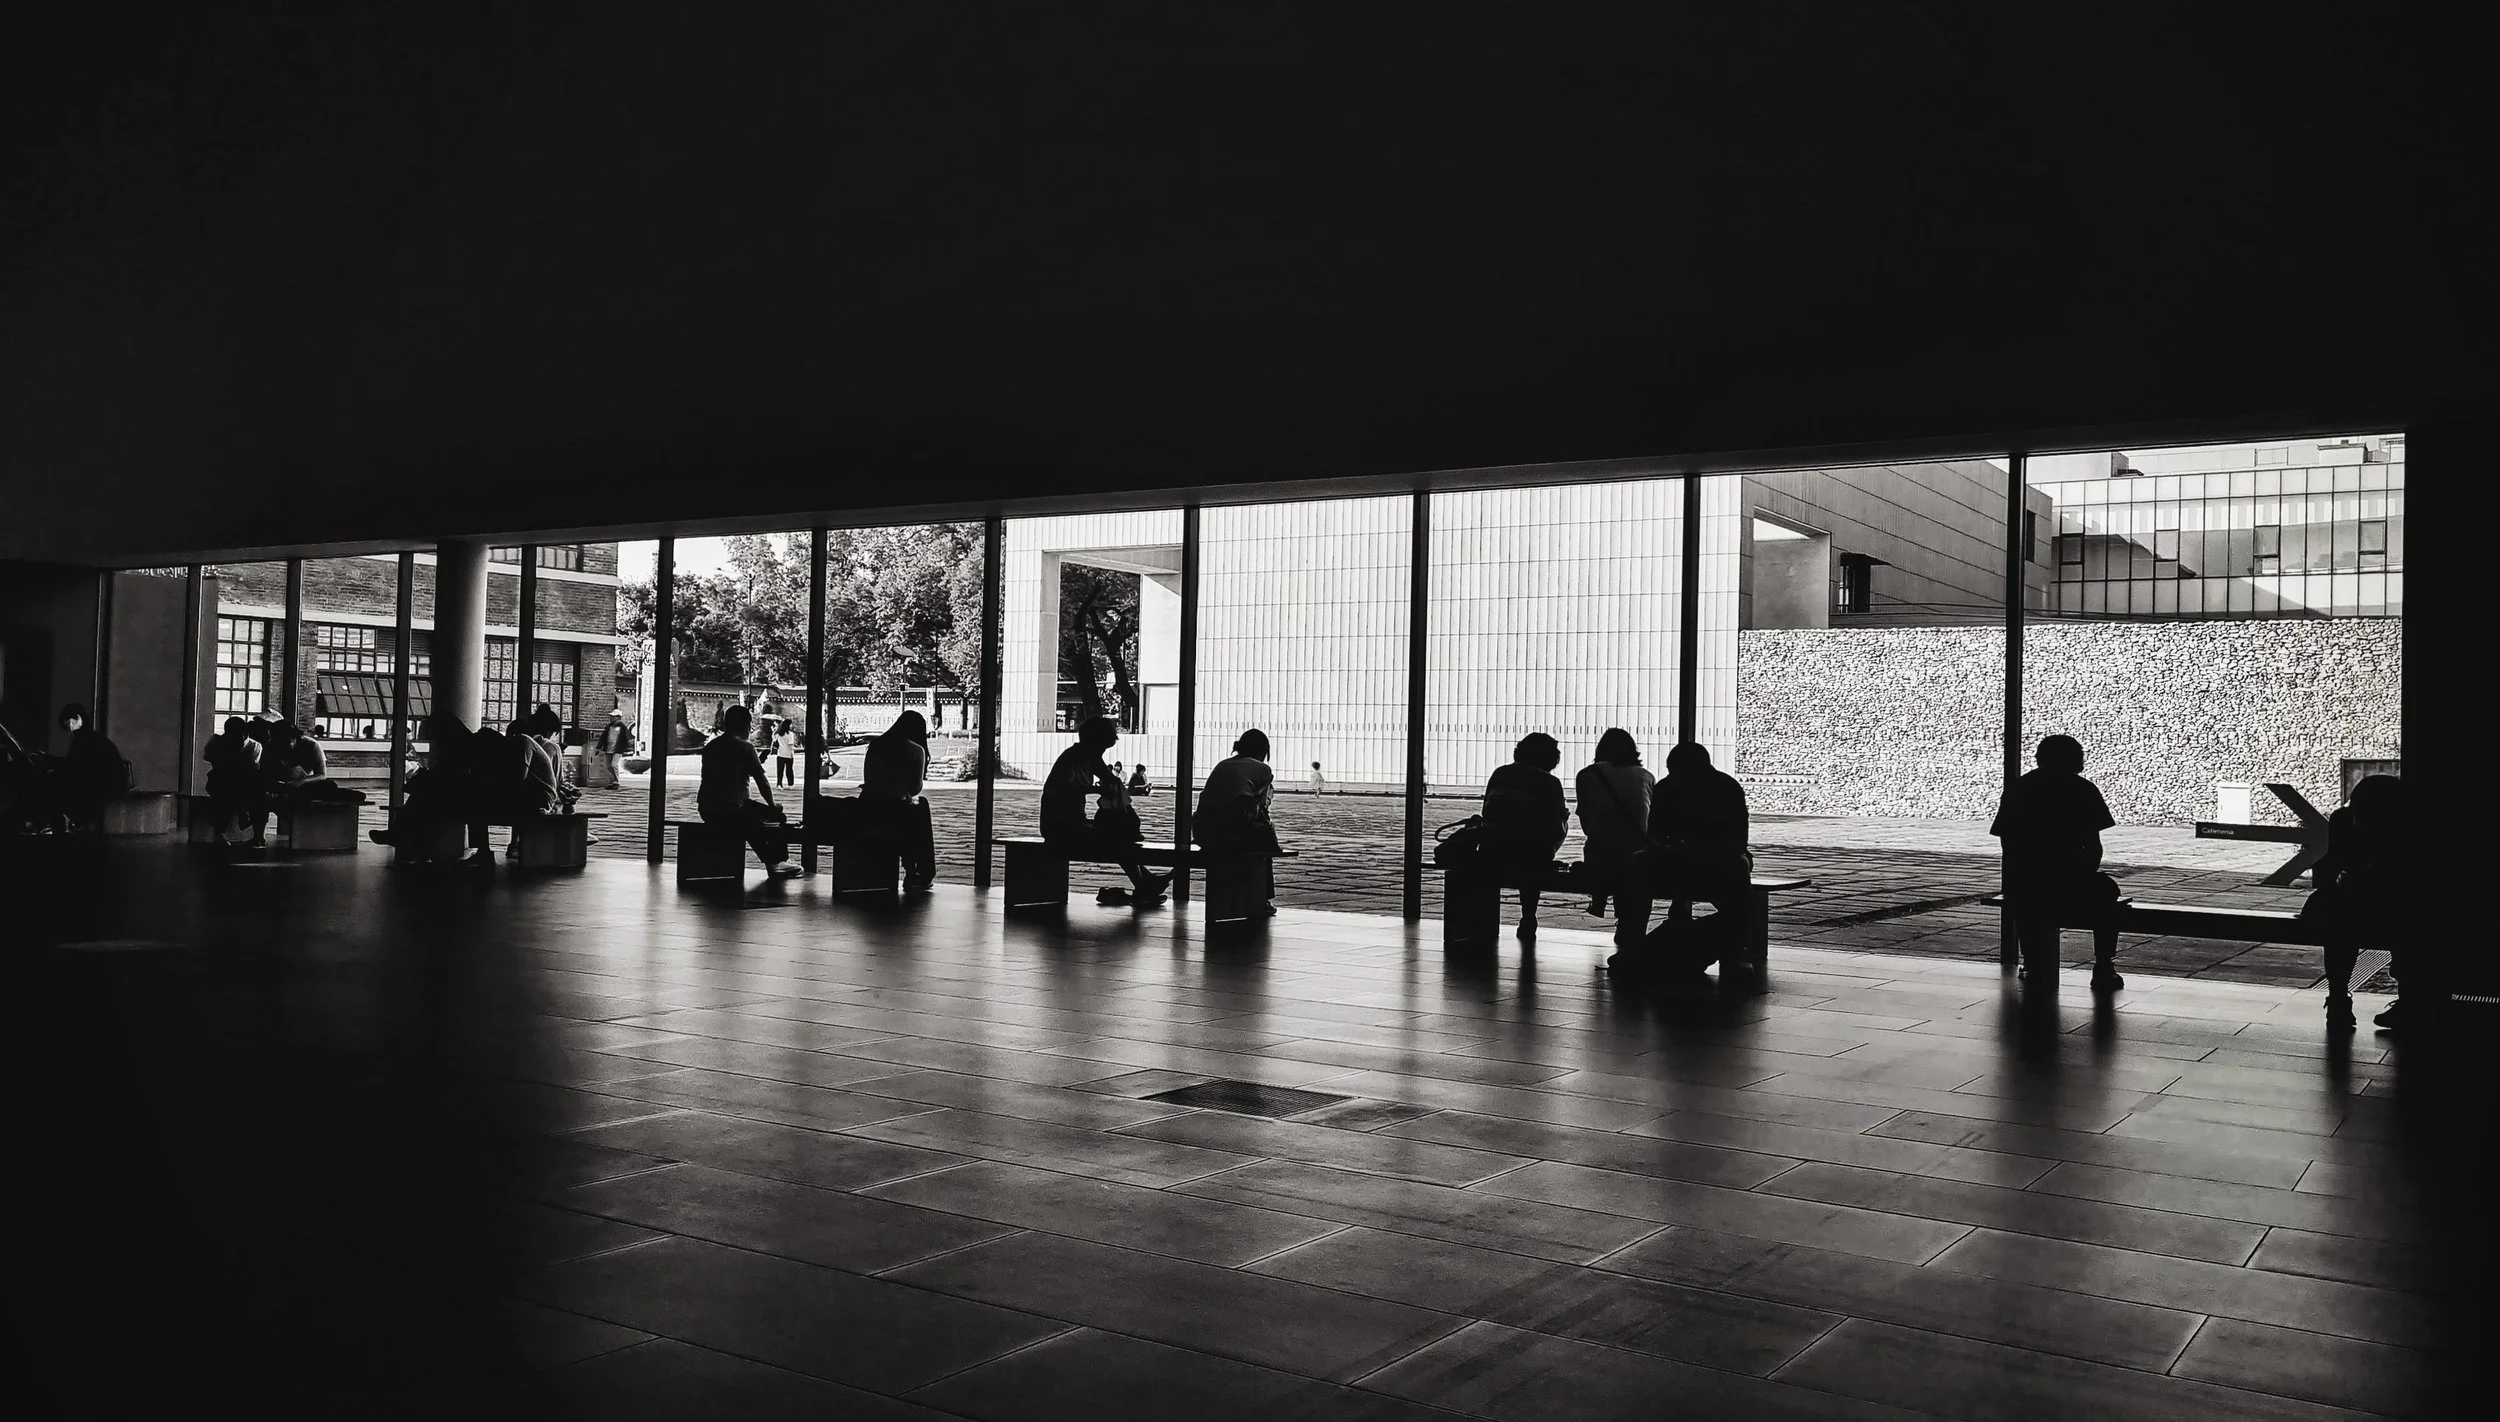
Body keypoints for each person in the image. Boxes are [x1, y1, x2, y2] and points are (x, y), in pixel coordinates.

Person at [1990, 734, 2124, 992]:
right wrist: (2079, 875)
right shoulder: (2084, 790)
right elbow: (2093, 847)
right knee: (2108, 894)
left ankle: (2031, 961)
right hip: (2071, 879)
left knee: (2025, 899)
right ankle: (2103, 965)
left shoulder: (2019, 788)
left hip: (2030, 880)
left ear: (2041, 758)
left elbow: (2009, 844)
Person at [1611, 742, 1753, 977]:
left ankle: (1734, 949)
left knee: (1737, 867)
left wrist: (1680, 849)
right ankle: (1633, 941)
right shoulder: (1723, 786)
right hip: (1697, 856)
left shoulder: (1709, 788)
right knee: (1638, 865)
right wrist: (1668, 848)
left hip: (1714, 856)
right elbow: (1654, 834)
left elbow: (1736, 841)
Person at [2304, 775, 2414, 1033]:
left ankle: (2338, 999)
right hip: (2386, 900)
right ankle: (2407, 1003)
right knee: (2405, 924)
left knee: (2340, 928)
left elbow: (2336, 865)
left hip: (2364, 898)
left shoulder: (2345, 822)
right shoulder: (2400, 826)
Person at [1041, 715, 1170, 904]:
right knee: (1117, 840)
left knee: (1117, 837)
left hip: (1075, 822)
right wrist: (1097, 789)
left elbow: (1109, 778)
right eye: (1101, 747)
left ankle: (1146, 881)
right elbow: (1064, 789)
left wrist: (1115, 786)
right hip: (1059, 827)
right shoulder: (1071, 759)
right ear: (1094, 743)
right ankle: (1144, 884)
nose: (1102, 753)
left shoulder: (1089, 756)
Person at [1482, 732, 1569, 939]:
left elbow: (1488, 812)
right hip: (1531, 854)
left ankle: (1483, 918)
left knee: (1519, 843)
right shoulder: (1550, 783)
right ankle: (1528, 915)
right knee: (1535, 846)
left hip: (1493, 850)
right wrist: (1563, 819)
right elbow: (1554, 829)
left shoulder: (1499, 774)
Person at [699, 704, 799, 876]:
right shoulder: (745, 747)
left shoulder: (711, 747)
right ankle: (777, 862)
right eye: (750, 724)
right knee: (773, 817)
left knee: (751, 818)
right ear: (745, 725)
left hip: (707, 808)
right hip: (732, 807)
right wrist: (772, 804)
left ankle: (774, 862)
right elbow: (762, 782)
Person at [1194, 729, 1281, 915]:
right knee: (1264, 847)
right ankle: (1262, 898)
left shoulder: (1223, 765)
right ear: (1263, 751)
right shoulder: (1262, 770)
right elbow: (1262, 807)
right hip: (1233, 834)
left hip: (1203, 832)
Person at [1576, 728, 1654, 917]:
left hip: (1601, 854)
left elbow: (1586, 822)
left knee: (1598, 845)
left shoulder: (1587, 774)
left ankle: (1599, 901)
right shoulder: (1646, 776)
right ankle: (1627, 918)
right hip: (1637, 851)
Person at [860, 709, 938, 893]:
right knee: (919, 808)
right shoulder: (915, 750)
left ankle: (914, 871)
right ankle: (919, 872)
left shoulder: (876, 745)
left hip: (867, 807)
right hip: (895, 810)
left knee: (909, 812)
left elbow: (868, 780)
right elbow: (914, 789)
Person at [55, 702, 129, 834]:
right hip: (110, 784)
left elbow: (73, 765)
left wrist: (51, 761)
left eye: (69, 723)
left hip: (102, 787)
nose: (70, 728)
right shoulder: (93, 738)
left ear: (78, 718)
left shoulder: (83, 740)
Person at [203, 716, 265, 846]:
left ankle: (220, 832)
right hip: (222, 780)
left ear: (244, 735)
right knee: (225, 790)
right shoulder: (218, 741)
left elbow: (251, 771)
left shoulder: (254, 746)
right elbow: (211, 759)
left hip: (242, 783)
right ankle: (241, 815)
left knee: (230, 793)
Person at [772, 720, 800, 788]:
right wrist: (792, 754)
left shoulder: (779, 734)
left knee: (780, 771)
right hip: (788, 754)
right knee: (789, 770)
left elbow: (775, 742)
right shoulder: (790, 734)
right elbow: (790, 745)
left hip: (780, 753)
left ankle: (779, 784)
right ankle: (790, 784)